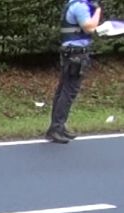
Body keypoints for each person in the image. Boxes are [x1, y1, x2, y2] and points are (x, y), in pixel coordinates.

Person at [47, 0, 101, 143]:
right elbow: (89, 28)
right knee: (69, 92)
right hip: (76, 55)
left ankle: (58, 126)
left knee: (63, 90)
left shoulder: (71, 4)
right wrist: (98, 11)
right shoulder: (81, 6)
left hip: (70, 53)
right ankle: (56, 128)